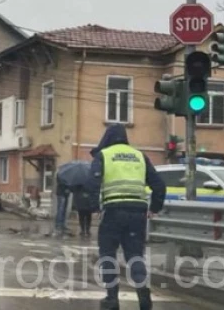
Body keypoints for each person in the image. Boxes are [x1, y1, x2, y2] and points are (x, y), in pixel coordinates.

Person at [86, 124, 166, 310]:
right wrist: (154, 207)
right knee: (135, 255)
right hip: (138, 213)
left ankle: (112, 298)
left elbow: (91, 183)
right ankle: (143, 294)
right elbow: (159, 185)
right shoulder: (140, 156)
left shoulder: (104, 155)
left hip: (113, 211)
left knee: (108, 254)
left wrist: (95, 207)